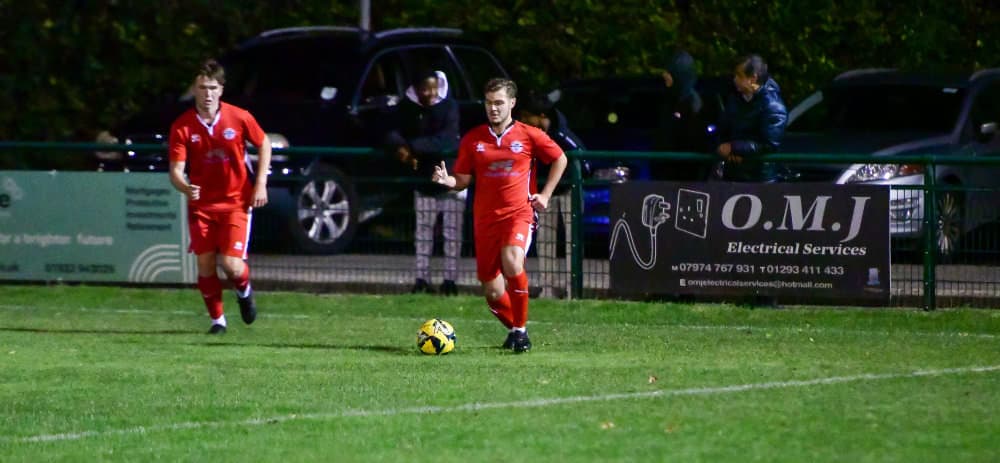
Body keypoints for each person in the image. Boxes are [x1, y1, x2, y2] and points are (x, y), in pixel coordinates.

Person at [431, 78, 568, 353]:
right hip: (485, 221)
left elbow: (560, 158)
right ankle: (516, 330)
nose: (493, 108)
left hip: (519, 214)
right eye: (489, 103)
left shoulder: (529, 134)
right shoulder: (473, 139)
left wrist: (545, 194)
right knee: (493, 292)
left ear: (512, 104)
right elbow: (463, 179)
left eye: (499, 103)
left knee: (512, 260)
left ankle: (520, 332)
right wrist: (448, 181)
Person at [168, 59, 272, 334]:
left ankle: (244, 290)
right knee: (204, 263)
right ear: (194, 89)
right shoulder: (182, 126)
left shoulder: (239, 117)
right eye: (202, 88)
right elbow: (176, 170)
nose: (208, 93)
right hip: (202, 206)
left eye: (213, 88)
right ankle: (218, 321)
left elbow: (264, 144)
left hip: (236, 202)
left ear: (221, 90)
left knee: (231, 265)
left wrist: (261, 183)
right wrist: (185, 186)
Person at [384, 69, 464, 296]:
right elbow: (390, 131)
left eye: (433, 88)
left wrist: (412, 147)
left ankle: (450, 281)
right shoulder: (407, 107)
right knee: (423, 234)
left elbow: (446, 140)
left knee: (452, 234)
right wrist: (400, 146)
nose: (430, 93)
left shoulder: (449, 107)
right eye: (425, 89)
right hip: (424, 180)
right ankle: (421, 279)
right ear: (417, 89)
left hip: (451, 180)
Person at [517, 91, 586, 299]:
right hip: (544, 193)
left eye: (526, 116)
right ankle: (548, 288)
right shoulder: (530, 134)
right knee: (545, 241)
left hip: (568, 190)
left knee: (573, 241)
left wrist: (573, 179)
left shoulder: (561, 134)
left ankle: (573, 289)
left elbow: (583, 159)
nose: (523, 120)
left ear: (540, 115)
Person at [714, 54, 789, 182]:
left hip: (759, 180)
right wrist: (723, 147)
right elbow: (723, 128)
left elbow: (769, 145)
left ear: (753, 78)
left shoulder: (773, 106)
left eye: (739, 76)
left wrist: (734, 147)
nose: (735, 79)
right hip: (733, 175)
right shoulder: (735, 99)